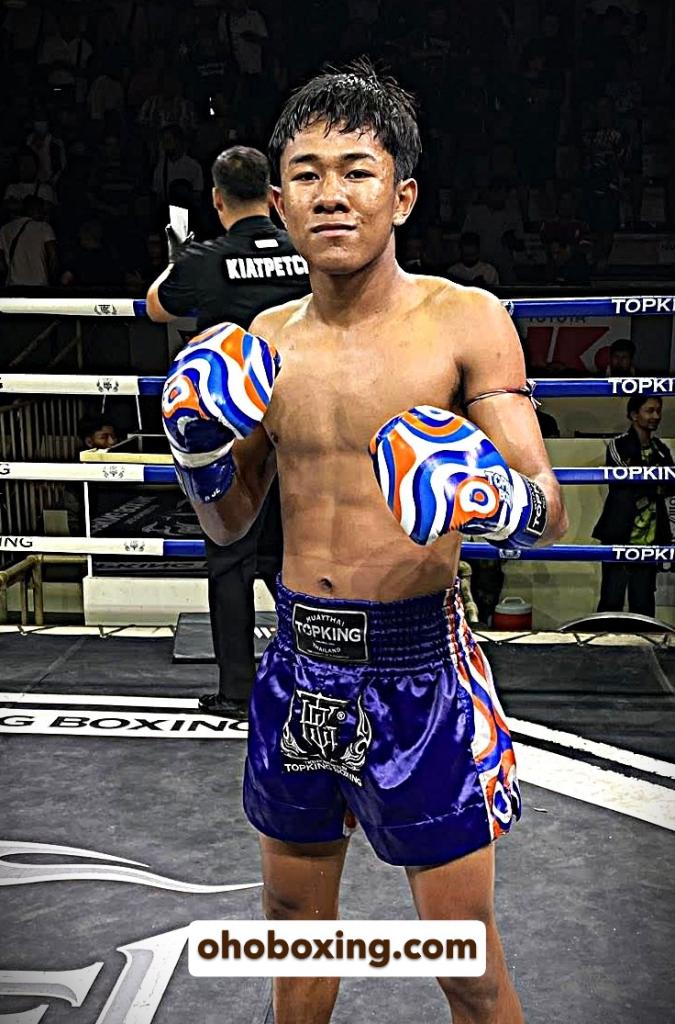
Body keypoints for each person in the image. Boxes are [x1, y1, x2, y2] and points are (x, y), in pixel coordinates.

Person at [162, 61, 567, 1024]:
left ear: (402, 196)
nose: (330, 194)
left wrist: (488, 499)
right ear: (277, 201)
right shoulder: (263, 339)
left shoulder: (463, 320)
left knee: (463, 960)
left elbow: (547, 508)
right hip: (299, 661)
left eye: (356, 171)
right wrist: (199, 455)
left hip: (420, 669)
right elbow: (230, 523)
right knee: (294, 931)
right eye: (305, 174)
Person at [147, 146, 308, 718]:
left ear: (217, 200)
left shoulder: (205, 258)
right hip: (302, 419)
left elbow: (157, 307)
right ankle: (313, 677)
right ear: (274, 195)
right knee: (301, 553)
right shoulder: (306, 250)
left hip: (235, 428)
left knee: (231, 556)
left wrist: (177, 256)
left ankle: (238, 689)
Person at [593, 396, 673, 616]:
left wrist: (649, 488)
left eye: (658, 411)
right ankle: (604, 639)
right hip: (619, 534)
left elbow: (670, 487)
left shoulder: (661, 449)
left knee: (644, 603)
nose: (656, 416)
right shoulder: (618, 445)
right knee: (611, 599)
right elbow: (624, 484)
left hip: (650, 539)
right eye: (649, 410)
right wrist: (654, 487)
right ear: (634, 415)